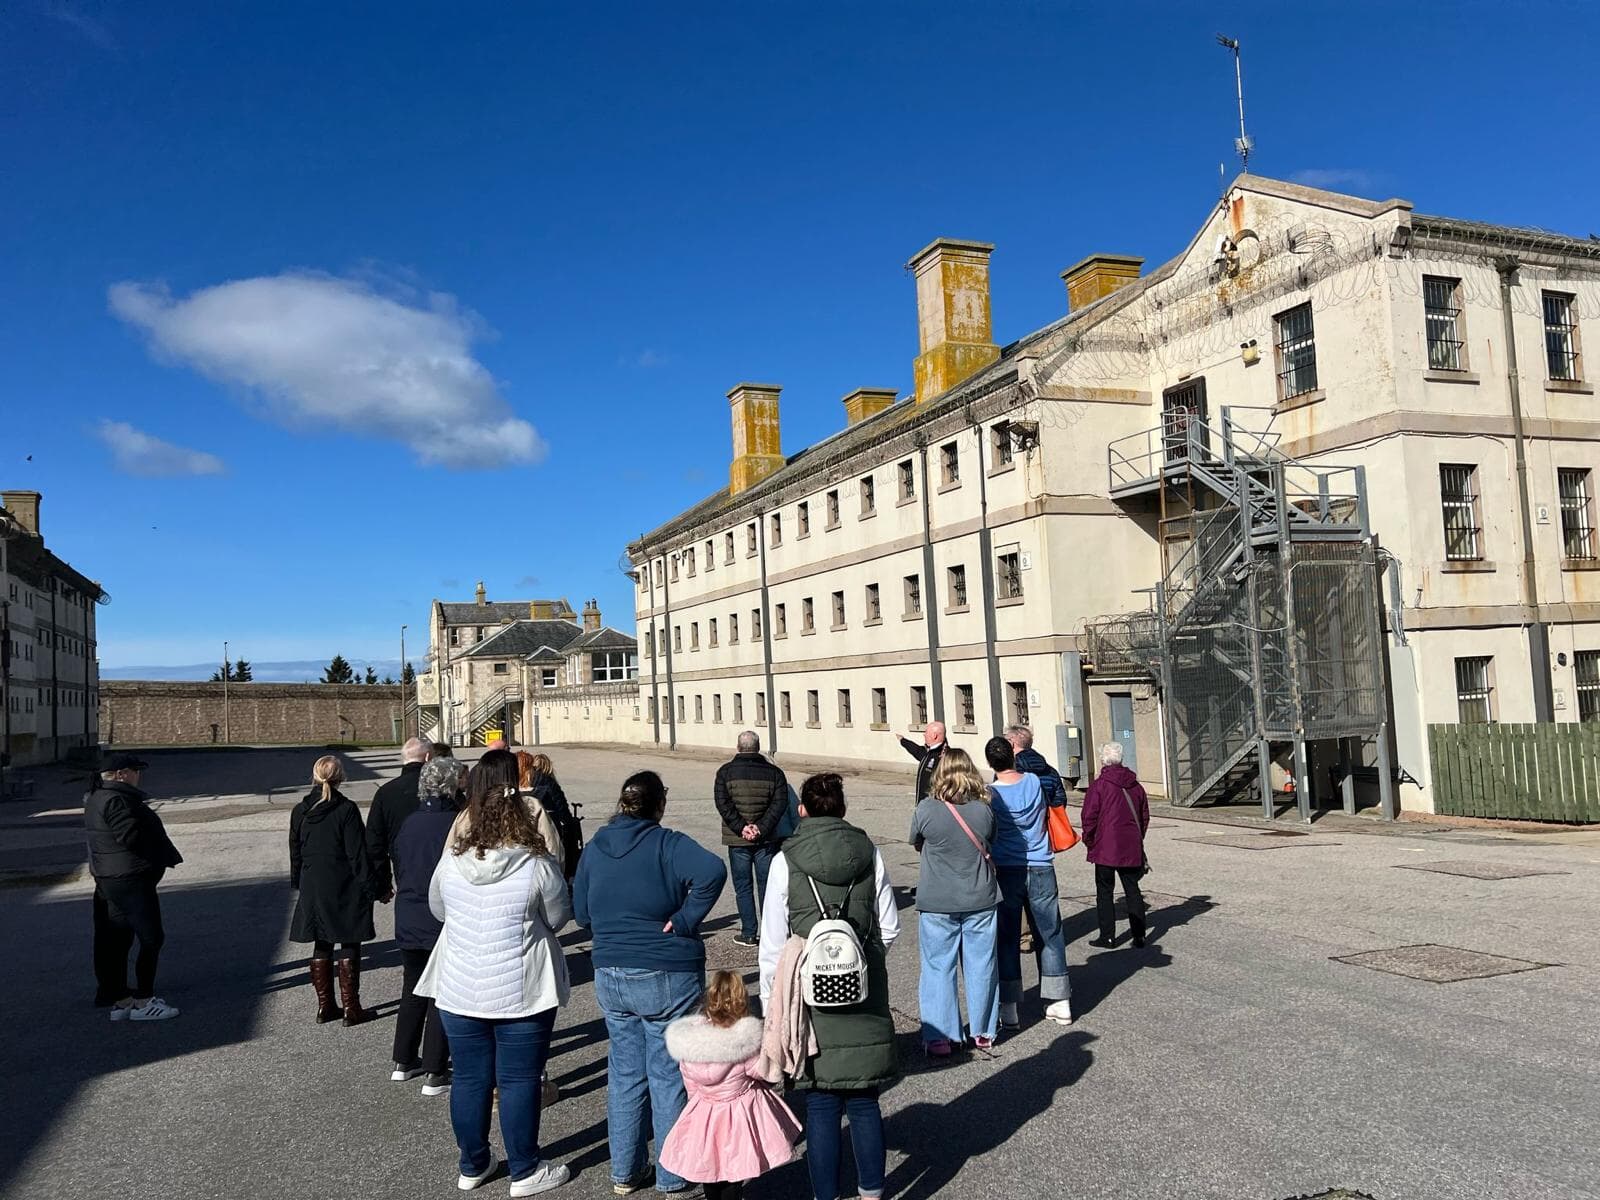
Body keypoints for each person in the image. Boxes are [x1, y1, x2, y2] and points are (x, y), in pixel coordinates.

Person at [415, 757, 572, 1196]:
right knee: (519, 1079)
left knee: (469, 1078)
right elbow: (559, 916)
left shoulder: (451, 862)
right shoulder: (536, 864)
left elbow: (438, 911)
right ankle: (524, 1169)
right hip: (521, 985)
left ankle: (473, 1163)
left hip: (461, 985)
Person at [572, 772, 726, 1195]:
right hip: (665, 968)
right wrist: (687, 917)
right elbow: (713, 870)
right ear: (659, 803)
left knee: (624, 1070)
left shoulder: (597, 847)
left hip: (611, 969)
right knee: (667, 1071)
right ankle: (672, 1171)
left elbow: (581, 912)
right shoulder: (666, 843)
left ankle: (625, 1169)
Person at [758, 773, 900, 1200]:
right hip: (864, 991)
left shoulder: (786, 860)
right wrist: (860, 962)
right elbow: (889, 926)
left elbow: (772, 942)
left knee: (820, 1104)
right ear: (842, 808)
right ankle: (872, 1192)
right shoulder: (869, 852)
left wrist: (772, 1006)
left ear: (802, 810)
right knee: (863, 1100)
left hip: (807, 997)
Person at [657, 970, 801, 1199]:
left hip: (705, 1110)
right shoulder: (744, 1043)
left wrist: (698, 1105)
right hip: (738, 1116)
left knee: (711, 1169)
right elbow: (767, 1074)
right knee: (734, 1169)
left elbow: (690, 1083)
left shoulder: (691, 1044)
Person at [910, 748, 999, 1055]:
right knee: (981, 964)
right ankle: (983, 1030)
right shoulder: (984, 809)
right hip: (979, 895)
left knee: (937, 966)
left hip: (938, 897)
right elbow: (991, 840)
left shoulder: (926, 808)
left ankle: (940, 1035)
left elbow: (916, 841)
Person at [86, 753, 183, 1022]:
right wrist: (155, 856)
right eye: (135, 770)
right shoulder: (116, 799)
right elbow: (130, 836)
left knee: (117, 938)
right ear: (120, 774)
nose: (138, 775)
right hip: (129, 879)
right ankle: (144, 1001)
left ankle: (120, 999)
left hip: (110, 878)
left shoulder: (97, 797)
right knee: (151, 938)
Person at [985, 736, 1071, 1028]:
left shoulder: (991, 794)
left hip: (1008, 867)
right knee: (1050, 931)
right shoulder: (1034, 782)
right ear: (1013, 756)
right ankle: (1059, 1001)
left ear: (989, 763)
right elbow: (1056, 796)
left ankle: (1009, 1007)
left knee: (1008, 937)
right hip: (1040, 863)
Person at [390, 755, 463, 1093]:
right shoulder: (455, 823)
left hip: (408, 911)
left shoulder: (409, 823)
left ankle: (403, 1059)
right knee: (441, 991)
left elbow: (400, 864)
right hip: (439, 915)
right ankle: (435, 1068)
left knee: (413, 987)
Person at [289, 755, 377, 1026]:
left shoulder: (300, 810)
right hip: (342, 882)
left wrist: (299, 883)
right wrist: (373, 887)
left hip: (313, 882)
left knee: (322, 941)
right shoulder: (346, 809)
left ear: (314, 776)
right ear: (340, 777)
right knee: (349, 939)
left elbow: (295, 851)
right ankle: (352, 1007)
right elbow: (356, 854)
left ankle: (325, 1006)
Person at [713, 731, 789, 948]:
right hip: (765, 839)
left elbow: (723, 804)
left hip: (738, 840)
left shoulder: (725, 772)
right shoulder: (774, 773)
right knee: (767, 885)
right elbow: (779, 804)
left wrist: (741, 828)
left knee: (743, 886)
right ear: (758, 747)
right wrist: (760, 828)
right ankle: (769, 932)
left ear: (738, 747)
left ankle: (748, 933)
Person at [1081, 741, 1151, 949]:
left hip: (1105, 846)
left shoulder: (1099, 786)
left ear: (1103, 760)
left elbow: (1089, 816)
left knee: (1104, 891)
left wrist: (1089, 840)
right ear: (1121, 759)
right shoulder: (1136, 786)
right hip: (1130, 845)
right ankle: (1140, 935)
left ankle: (1108, 936)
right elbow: (1144, 816)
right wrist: (1138, 838)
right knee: (1132, 889)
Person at [1005, 725, 1064, 954]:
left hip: (1016, 847)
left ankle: (1023, 936)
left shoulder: (1011, 770)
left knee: (1017, 897)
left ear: (1012, 743)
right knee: (1044, 906)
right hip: (1042, 843)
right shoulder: (1048, 769)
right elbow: (1060, 799)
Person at [366, 736, 433, 902]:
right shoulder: (439, 789)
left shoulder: (386, 792)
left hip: (402, 864)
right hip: (436, 861)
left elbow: (375, 841)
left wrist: (382, 883)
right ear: (427, 758)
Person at [1006, 725, 1067, 809]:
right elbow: (1061, 801)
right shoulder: (1051, 771)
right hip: (1045, 820)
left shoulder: (1009, 771)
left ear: (1011, 743)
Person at [893, 720, 946, 802]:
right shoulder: (929, 752)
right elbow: (916, 750)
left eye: (926, 732)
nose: (924, 734)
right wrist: (903, 741)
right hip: (923, 805)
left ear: (934, 735)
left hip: (934, 806)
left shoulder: (944, 756)